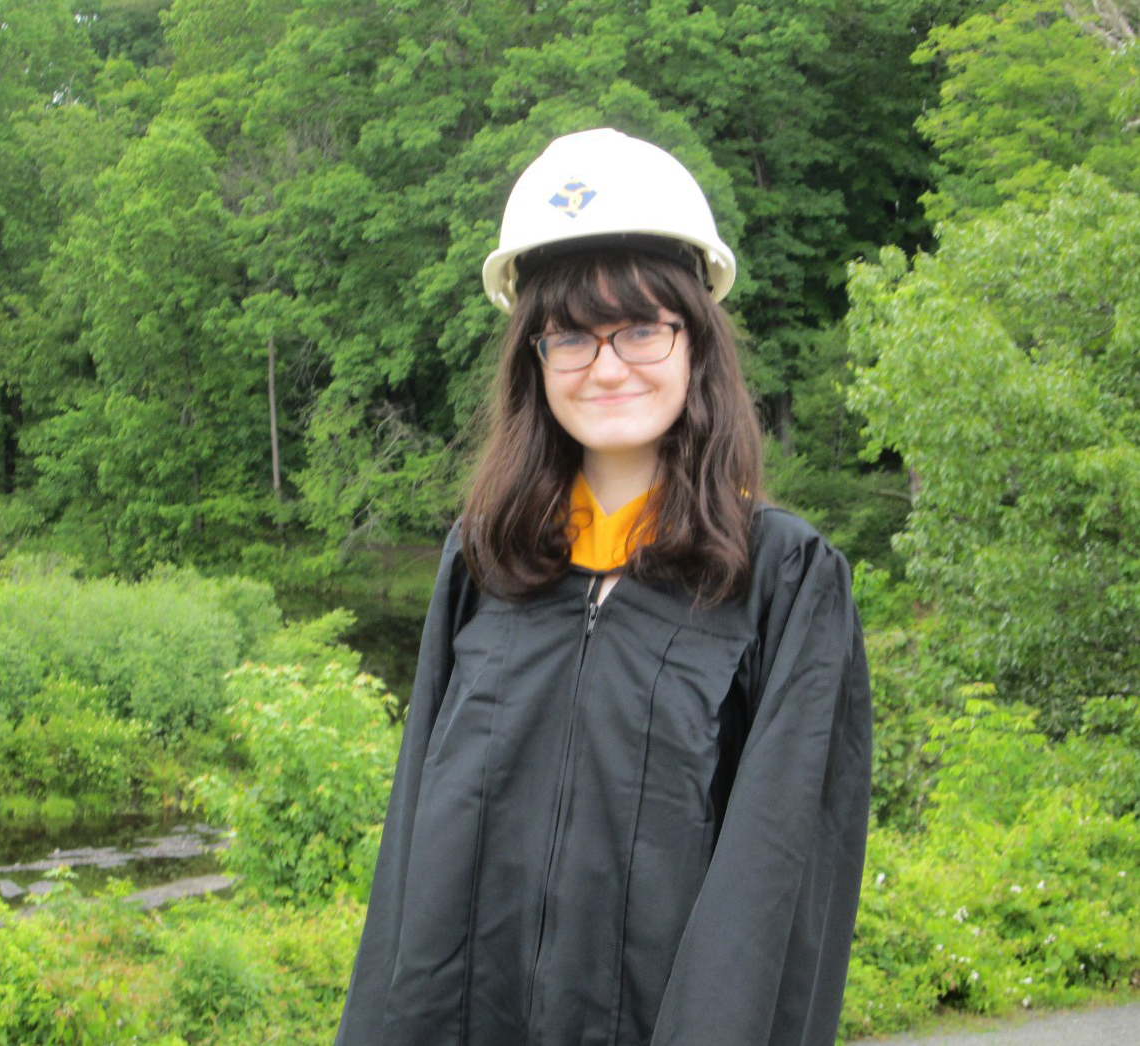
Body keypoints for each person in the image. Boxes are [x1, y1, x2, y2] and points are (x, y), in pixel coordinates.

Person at [335, 127, 872, 1046]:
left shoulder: (782, 583)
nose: (607, 365)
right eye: (571, 336)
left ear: (695, 340)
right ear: (534, 358)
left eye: (640, 328)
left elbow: (775, 890)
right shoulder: (484, 563)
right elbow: (412, 856)